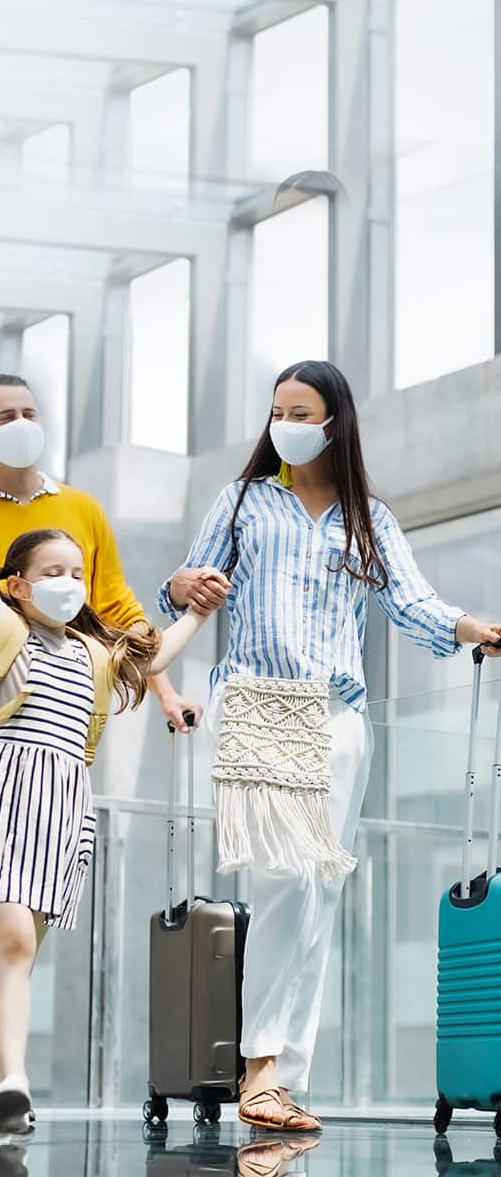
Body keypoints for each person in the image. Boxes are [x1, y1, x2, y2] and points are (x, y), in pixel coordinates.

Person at [159, 361, 501, 1132]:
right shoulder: (243, 500)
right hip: (255, 703)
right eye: (277, 408)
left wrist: (468, 629)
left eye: (300, 410)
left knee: (317, 891)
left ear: (334, 422)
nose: (285, 421)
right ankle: (260, 1069)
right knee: (285, 877)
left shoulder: (366, 517)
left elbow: (408, 602)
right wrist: (184, 586)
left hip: (339, 718)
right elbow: (176, 587)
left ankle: (281, 1076)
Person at [0, 374, 217, 1116]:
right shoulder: (2, 627)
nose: (68, 583)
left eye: (75, 573)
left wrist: (192, 613)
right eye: (51, 574)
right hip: (0, 787)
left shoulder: (92, 648)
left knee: (23, 950)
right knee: (9, 940)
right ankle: (11, 1081)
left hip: (63, 804)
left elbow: (144, 647)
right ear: (16, 587)